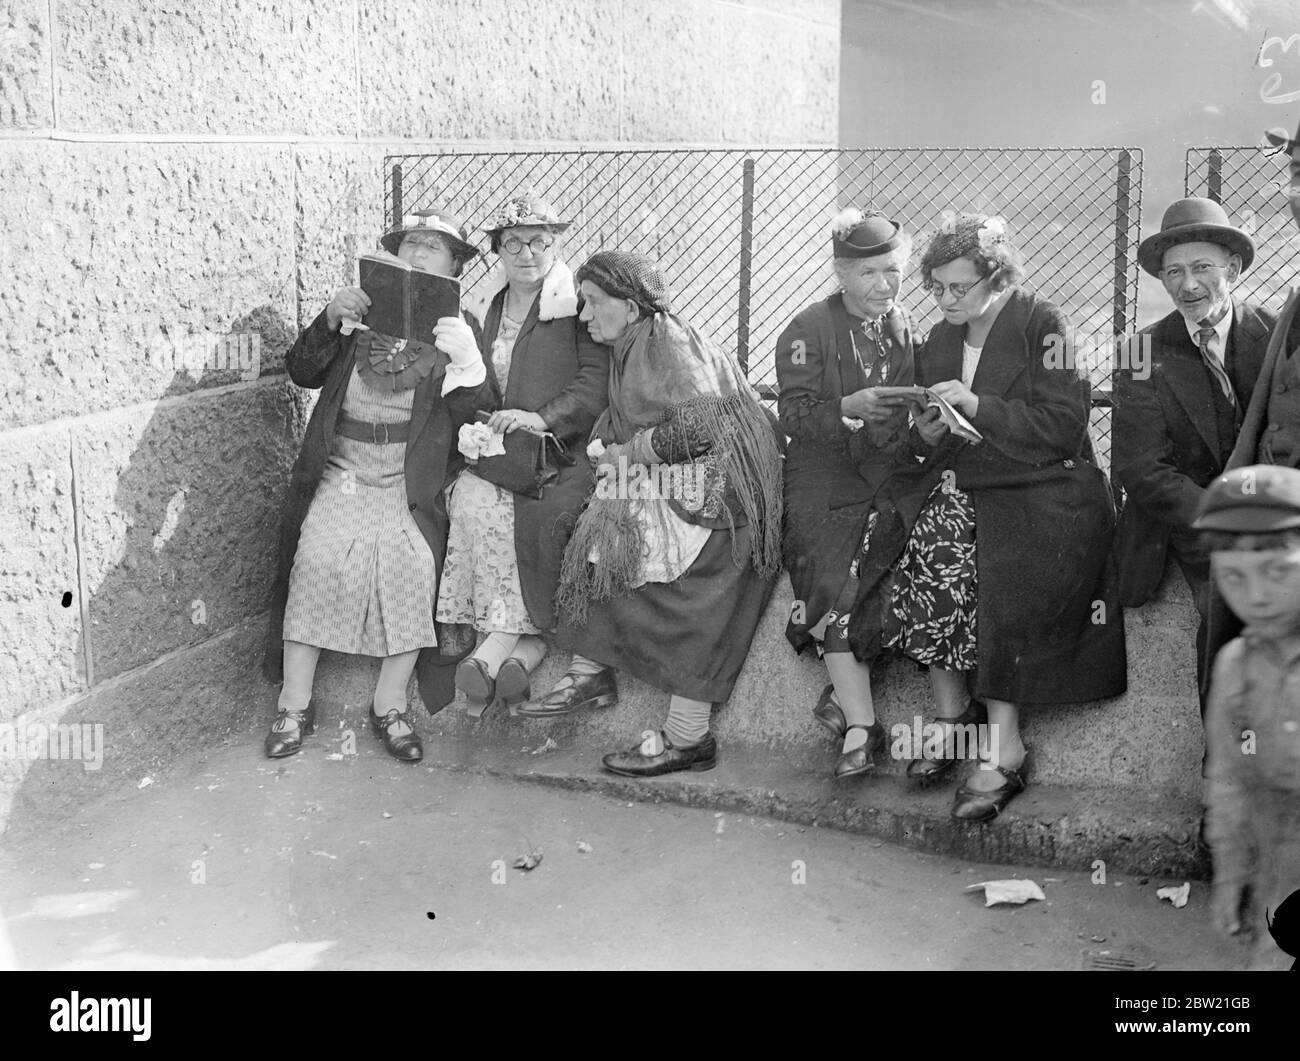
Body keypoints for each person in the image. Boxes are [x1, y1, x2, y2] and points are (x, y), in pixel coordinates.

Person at [894, 212, 1126, 820]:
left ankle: (1005, 746)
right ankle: (952, 719)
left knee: (1001, 563)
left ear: (995, 276)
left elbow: (1064, 427)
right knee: (930, 546)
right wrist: (926, 432)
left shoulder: (1041, 322)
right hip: (979, 484)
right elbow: (933, 443)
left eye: (958, 287)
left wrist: (983, 407)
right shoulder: (942, 339)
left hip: (1049, 487)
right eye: (936, 287)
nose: (944, 300)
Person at [523, 250, 785, 779]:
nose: (584, 316)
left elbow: (704, 428)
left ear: (631, 303)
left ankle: (686, 737)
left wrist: (629, 455)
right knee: (599, 537)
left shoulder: (665, 340)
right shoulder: (637, 342)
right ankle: (589, 671)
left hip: (727, 505)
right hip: (704, 485)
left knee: (647, 565)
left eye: (595, 303)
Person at [262, 209, 490, 761]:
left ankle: (389, 705)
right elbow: (301, 370)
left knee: (411, 563)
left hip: (404, 479)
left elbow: (476, 420)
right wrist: (327, 319)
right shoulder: (358, 314)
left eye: (433, 248)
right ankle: (294, 704)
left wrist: (468, 364)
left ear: (454, 265)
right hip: (343, 470)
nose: (418, 255)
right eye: (411, 243)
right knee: (315, 558)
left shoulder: (463, 328)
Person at [776, 208, 939, 778]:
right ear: (841, 273)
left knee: (895, 565)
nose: (884, 286)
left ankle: (844, 702)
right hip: (820, 478)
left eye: (893, 272)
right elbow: (793, 415)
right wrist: (846, 408)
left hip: (883, 471)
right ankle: (863, 724)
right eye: (869, 274)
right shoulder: (807, 329)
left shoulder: (902, 324)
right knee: (835, 575)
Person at [436, 192, 609, 713]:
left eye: (539, 241)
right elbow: (484, 384)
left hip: (565, 450)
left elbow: (594, 382)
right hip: (510, 448)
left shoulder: (575, 304)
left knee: (526, 512)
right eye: (513, 242)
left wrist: (542, 418)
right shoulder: (488, 307)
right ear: (498, 250)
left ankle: (497, 651)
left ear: (556, 244)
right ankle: (517, 648)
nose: (527, 252)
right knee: (468, 495)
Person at [1113, 197, 1275, 709]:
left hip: (1275, 514)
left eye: (1203, 267)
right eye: (1174, 272)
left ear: (1233, 267)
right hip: (1197, 525)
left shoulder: (1277, 337)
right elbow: (1141, 468)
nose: (1188, 285)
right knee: (1231, 609)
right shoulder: (1141, 352)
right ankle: (1223, 766)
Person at [1194, 464, 1300, 971]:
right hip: (1278, 856)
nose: (1255, 597)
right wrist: (1231, 875)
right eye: (1235, 576)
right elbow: (1230, 777)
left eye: (1278, 571)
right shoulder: (1235, 665)